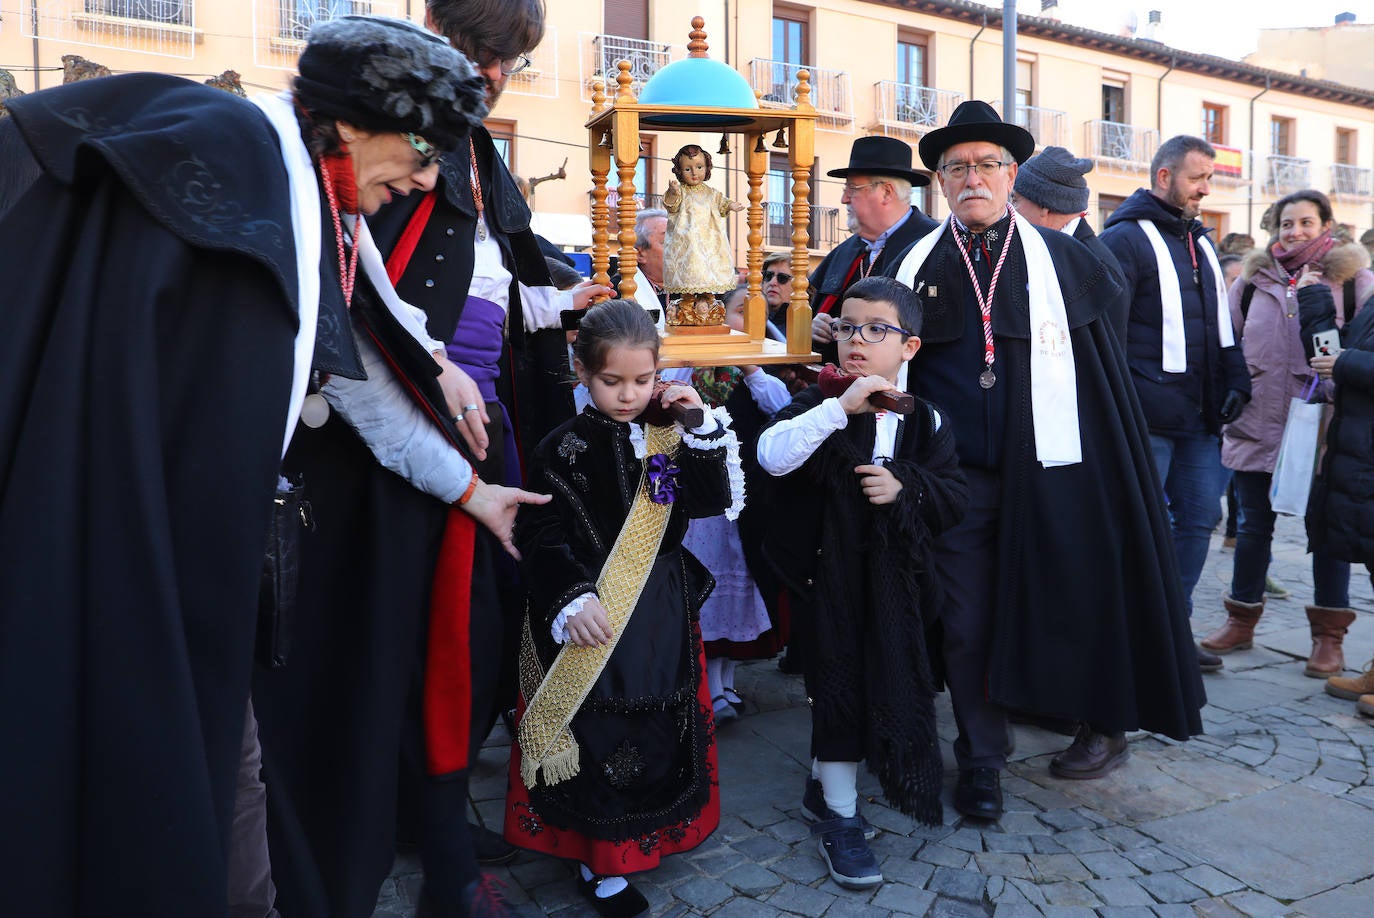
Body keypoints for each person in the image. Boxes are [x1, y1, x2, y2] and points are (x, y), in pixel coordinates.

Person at [0, 16, 531, 916]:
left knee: (222, 797)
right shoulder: (236, 162)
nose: (429, 177)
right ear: (357, 122)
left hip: (198, 574)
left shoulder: (314, 206)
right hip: (134, 564)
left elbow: (366, 385)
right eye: (423, 148)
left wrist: (471, 490)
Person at [889, 101, 1204, 817]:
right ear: (940, 180)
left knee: (1064, 604)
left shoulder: (1070, 262)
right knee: (967, 624)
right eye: (958, 166)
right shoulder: (909, 265)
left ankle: (1081, 716)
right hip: (957, 482)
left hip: (1056, 476)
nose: (974, 178)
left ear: (1011, 176)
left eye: (989, 165)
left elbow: (1102, 382)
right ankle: (982, 761)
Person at [504, 299, 739, 917]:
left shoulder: (664, 435)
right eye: (612, 382)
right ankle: (598, 860)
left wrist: (701, 430)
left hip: (659, 606)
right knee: (598, 729)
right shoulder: (563, 447)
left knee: (659, 720)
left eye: (641, 380)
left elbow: (709, 502)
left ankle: (647, 830)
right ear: (581, 373)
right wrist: (569, 596)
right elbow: (540, 533)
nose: (628, 395)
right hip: (591, 615)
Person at [756, 276, 967, 887]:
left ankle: (825, 789)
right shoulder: (816, 403)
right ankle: (842, 818)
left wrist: (908, 487)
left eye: (878, 330)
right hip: (828, 580)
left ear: (909, 347)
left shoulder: (925, 419)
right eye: (849, 327)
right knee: (838, 685)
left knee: (879, 683)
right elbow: (772, 456)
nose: (858, 341)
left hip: (897, 585)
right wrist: (836, 410)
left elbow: (953, 493)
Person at [1202, 190, 1374, 677]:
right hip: (1258, 420)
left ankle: (1328, 637)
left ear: (1327, 226)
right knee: (1253, 526)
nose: (1293, 232)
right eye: (1285, 223)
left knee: (1328, 531)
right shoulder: (1254, 281)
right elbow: (1228, 343)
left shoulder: (1356, 284)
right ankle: (1241, 620)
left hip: (1326, 427)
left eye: (1304, 222)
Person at [1099, 135, 1251, 674]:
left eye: (1209, 179)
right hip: (1148, 417)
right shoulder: (1124, 239)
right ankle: (1136, 636)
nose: (1206, 189)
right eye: (1197, 178)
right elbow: (1108, 337)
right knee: (1146, 527)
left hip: (1199, 417)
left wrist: (1236, 379)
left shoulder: (1200, 242)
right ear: (1164, 177)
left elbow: (1220, 326)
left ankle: (1171, 628)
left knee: (1201, 518)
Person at [684, 286, 793, 723]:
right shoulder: (692, 365)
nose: (746, 321)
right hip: (702, 500)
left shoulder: (764, 367)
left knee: (738, 589)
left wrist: (752, 368)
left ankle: (725, 682)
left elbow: (781, 409)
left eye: (756, 314)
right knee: (706, 587)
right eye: (737, 311)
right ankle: (708, 687)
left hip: (745, 498)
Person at [1300, 272, 1374, 719]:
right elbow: (1330, 354)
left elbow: (1343, 360)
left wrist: (1344, 363)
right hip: (1359, 450)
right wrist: (1314, 301)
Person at [810, 135, 938, 362]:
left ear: (887, 192)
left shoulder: (934, 246)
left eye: (852, 189)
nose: (843, 199)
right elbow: (810, 310)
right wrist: (815, 326)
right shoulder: (843, 252)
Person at [1010, 145, 1129, 344]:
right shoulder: (1047, 249)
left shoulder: (1098, 269)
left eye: (1015, 200)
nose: (1010, 209)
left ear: (1045, 206)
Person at [662, 143, 746, 324]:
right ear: (679, 170)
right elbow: (671, 204)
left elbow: (723, 202)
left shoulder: (712, 193)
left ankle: (707, 297)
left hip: (709, 241)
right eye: (687, 168)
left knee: (708, 269)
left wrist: (731, 205)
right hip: (687, 241)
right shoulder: (681, 192)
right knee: (691, 266)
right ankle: (688, 298)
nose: (694, 173)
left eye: (699, 167)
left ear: (707, 168)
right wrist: (672, 192)